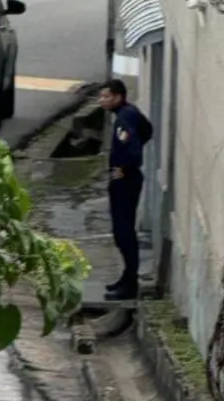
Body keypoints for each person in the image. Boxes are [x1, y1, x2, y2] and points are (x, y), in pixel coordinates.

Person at [97, 79, 151, 301]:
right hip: (123, 178)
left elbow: (133, 153)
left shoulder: (124, 119)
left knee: (124, 233)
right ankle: (126, 277)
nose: (102, 100)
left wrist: (121, 172)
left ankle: (130, 284)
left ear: (119, 97)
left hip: (125, 180)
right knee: (121, 232)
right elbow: (148, 130)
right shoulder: (128, 114)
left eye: (106, 96)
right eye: (101, 96)